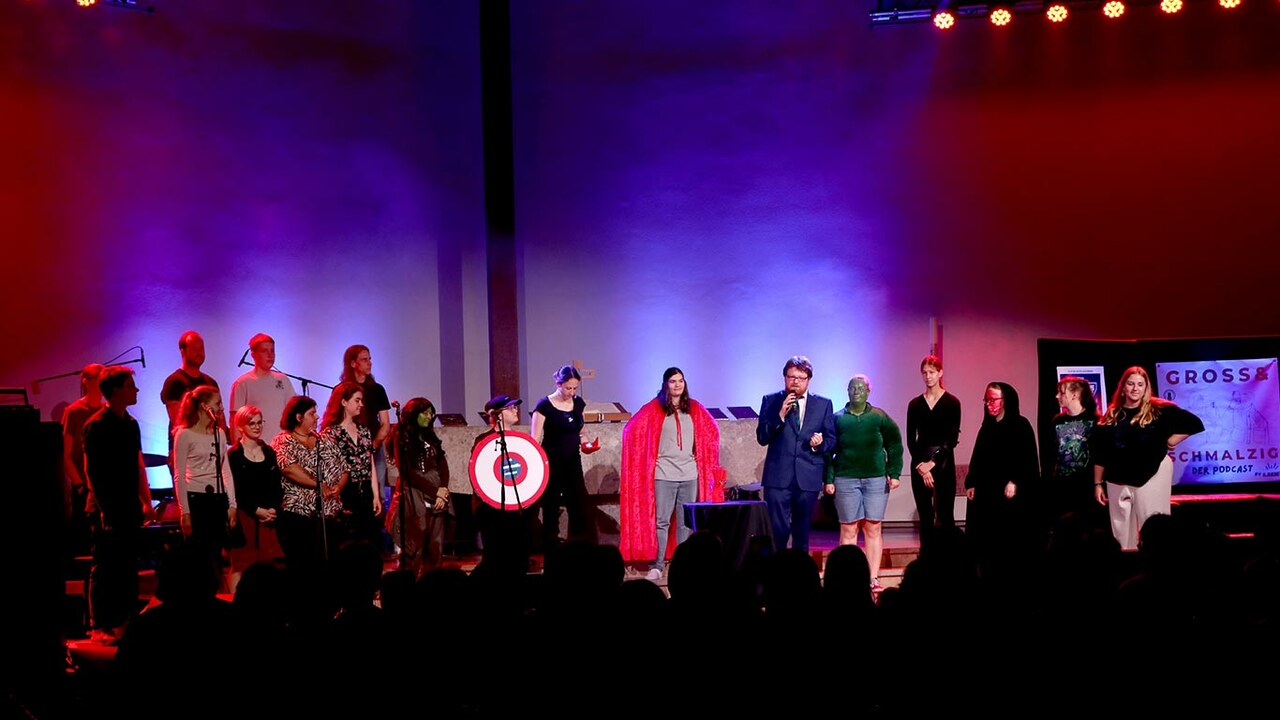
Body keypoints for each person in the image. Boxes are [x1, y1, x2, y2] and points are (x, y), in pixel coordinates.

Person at [619, 367, 724, 582]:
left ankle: (680, 565)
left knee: (685, 523)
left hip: (689, 474)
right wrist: (650, 456)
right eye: (673, 381)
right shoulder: (654, 408)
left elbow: (711, 430)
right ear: (665, 384)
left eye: (681, 381)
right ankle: (657, 565)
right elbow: (631, 430)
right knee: (662, 522)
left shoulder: (693, 408)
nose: (677, 385)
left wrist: (700, 454)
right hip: (664, 474)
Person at [1090, 366, 1203, 551]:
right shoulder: (1112, 415)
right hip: (1118, 475)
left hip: (1152, 472)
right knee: (1121, 529)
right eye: (1131, 383)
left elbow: (1194, 423)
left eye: (1140, 384)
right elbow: (1100, 452)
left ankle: (1155, 564)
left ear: (1146, 388)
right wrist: (1097, 483)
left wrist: (1173, 439)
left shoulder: (1159, 410)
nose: (1135, 388)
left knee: (1152, 523)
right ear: (1123, 387)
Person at [82, 365, 154, 644]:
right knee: (106, 566)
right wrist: (104, 509)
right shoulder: (96, 425)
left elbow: (137, 466)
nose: (135, 390)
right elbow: (93, 471)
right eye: (130, 385)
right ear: (116, 390)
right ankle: (100, 624)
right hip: (106, 508)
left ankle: (124, 620)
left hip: (128, 506)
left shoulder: (130, 424)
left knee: (127, 566)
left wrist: (145, 501)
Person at [823, 373, 903, 592]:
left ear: (869, 391)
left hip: (875, 479)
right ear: (847, 391)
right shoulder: (838, 418)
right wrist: (828, 479)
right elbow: (829, 451)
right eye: (852, 388)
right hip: (846, 479)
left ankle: (873, 577)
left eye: (860, 388)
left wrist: (894, 472)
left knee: (873, 527)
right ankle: (848, 580)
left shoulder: (878, 417)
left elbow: (895, 443)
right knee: (848, 529)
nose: (856, 391)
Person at [756, 355, 836, 553]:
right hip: (778, 478)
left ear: (808, 379)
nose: (795, 382)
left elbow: (831, 440)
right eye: (791, 377)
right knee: (778, 530)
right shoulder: (771, 401)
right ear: (784, 378)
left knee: (801, 532)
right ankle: (776, 575)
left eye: (800, 378)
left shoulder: (823, 404)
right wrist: (780, 415)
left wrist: (819, 444)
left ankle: (799, 577)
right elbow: (762, 437)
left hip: (807, 476)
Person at [963, 382, 1039, 581]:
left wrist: (1015, 480)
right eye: (986, 400)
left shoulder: (1020, 426)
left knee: (1007, 539)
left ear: (1005, 401)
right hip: (987, 492)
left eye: (993, 400)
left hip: (1009, 494)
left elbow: (1028, 459)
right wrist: (971, 482)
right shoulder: (987, 427)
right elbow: (977, 457)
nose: (989, 404)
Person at [272, 395, 346, 574]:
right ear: (299, 417)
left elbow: (344, 467)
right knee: (303, 566)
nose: (317, 417)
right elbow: (289, 468)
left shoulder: (323, 440)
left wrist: (338, 487)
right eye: (312, 413)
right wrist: (319, 485)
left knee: (329, 565)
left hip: (328, 514)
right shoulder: (283, 441)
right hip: (300, 515)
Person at [531, 365, 599, 550]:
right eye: (568, 388)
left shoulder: (578, 404)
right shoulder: (544, 405)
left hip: (572, 462)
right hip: (551, 463)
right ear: (558, 384)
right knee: (551, 507)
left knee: (579, 506)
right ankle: (550, 548)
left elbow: (581, 432)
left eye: (575, 388)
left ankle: (578, 546)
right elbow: (535, 440)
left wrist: (587, 444)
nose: (571, 392)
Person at [471, 395, 535, 576]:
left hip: (518, 509)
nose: (516, 410)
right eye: (511, 408)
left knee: (520, 556)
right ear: (497, 414)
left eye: (516, 407)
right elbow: (481, 476)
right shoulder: (483, 442)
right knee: (495, 558)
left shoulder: (521, 441)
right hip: (491, 510)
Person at [387, 397, 450, 578]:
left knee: (435, 546)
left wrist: (443, 489)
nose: (429, 416)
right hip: (414, 495)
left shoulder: (431, 436)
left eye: (431, 413)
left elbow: (442, 464)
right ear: (414, 414)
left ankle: (432, 586)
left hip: (437, 495)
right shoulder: (402, 436)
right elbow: (408, 472)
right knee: (415, 545)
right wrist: (434, 491)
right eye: (425, 413)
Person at [171, 385, 238, 553]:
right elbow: (179, 475)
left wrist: (232, 505)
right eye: (218, 403)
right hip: (196, 499)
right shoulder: (184, 434)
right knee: (198, 553)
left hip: (217, 499)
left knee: (216, 553)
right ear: (204, 406)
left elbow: (226, 471)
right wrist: (184, 512)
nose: (221, 407)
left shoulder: (219, 434)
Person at [906, 355, 962, 549]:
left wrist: (933, 463)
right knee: (926, 516)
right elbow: (911, 440)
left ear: (940, 373)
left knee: (945, 515)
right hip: (920, 463)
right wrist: (922, 466)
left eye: (931, 372)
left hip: (943, 461)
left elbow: (952, 439)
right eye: (924, 373)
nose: (928, 377)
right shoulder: (914, 405)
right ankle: (926, 561)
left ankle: (948, 561)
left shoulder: (952, 403)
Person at [321, 381, 381, 545]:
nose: (361, 404)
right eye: (357, 400)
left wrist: (376, 495)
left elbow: (370, 464)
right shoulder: (331, 433)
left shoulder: (363, 430)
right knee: (348, 539)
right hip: (345, 491)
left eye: (361, 400)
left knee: (368, 538)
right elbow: (328, 468)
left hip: (365, 488)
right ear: (343, 402)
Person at [227, 405, 284, 574]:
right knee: (242, 563)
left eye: (259, 423)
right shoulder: (234, 455)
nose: (257, 427)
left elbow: (277, 485)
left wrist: (273, 508)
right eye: (251, 423)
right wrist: (256, 510)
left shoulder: (268, 452)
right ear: (240, 426)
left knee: (268, 563)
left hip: (268, 516)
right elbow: (235, 488)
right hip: (246, 515)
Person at [339, 345, 392, 508]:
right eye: (364, 359)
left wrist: (374, 445)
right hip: (349, 448)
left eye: (370, 359)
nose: (369, 363)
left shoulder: (377, 389)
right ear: (353, 363)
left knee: (379, 494)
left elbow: (385, 423)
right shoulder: (342, 390)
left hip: (373, 448)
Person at [62, 363, 105, 556]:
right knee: (84, 539)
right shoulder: (74, 412)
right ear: (86, 382)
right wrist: (79, 484)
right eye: (98, 379)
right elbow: (66, 453)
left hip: (104, 485)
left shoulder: (106, 410)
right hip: (84, 485)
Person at [160, 331, 218, 471]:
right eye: (194, 348)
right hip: (185, 452)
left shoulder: (211, 382)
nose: (199, 352)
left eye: (201, 348)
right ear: (183, 351)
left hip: (210, 451)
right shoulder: (174, 382)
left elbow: (219, 417)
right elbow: (177, 422)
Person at [1048, 376, 1102, 525]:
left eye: (1061, 392)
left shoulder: (1095, 420)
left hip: (1085, 485)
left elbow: (1100, 454)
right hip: (1062, 484)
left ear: (1074, 395)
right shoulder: (1057, 421)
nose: (1057, 396)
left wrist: (1098, 484)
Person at [230, 333, 296, 444]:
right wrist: (237, 450)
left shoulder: (283, 380)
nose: (270, 355)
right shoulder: (243, 383)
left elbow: (293, 413)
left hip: (282, 447)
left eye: (272, 351)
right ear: (253, 355)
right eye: (264, 351)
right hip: (255, 449)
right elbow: (235, 420)